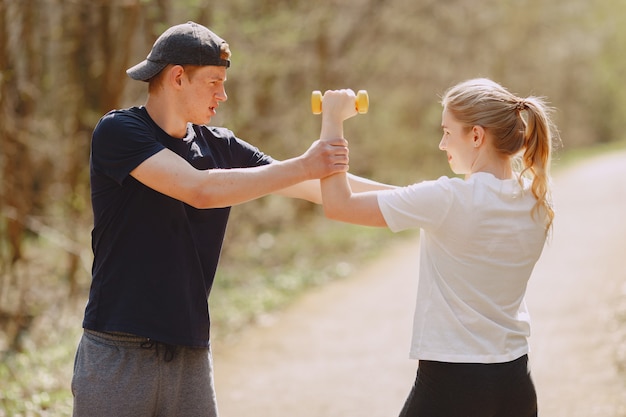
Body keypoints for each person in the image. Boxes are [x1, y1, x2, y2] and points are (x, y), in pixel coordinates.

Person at [71, 21, 391, 417]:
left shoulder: (219, 144)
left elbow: (315, 185)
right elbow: (200, 190)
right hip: (119, 353)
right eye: (214, 82)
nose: (222, 94)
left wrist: (424, 198)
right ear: (177, 77)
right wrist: (306, 163)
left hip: (190, 354)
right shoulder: (119, 131)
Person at [318, 79, 558, 417]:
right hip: (515, 385)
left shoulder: (446, 200)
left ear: (476, 136)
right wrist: (281, 175)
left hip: (452, 387)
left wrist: (332, 120)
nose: (441, 143)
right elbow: (383, 197)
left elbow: (338, 206)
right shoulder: (535, 200)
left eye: (447, 131)